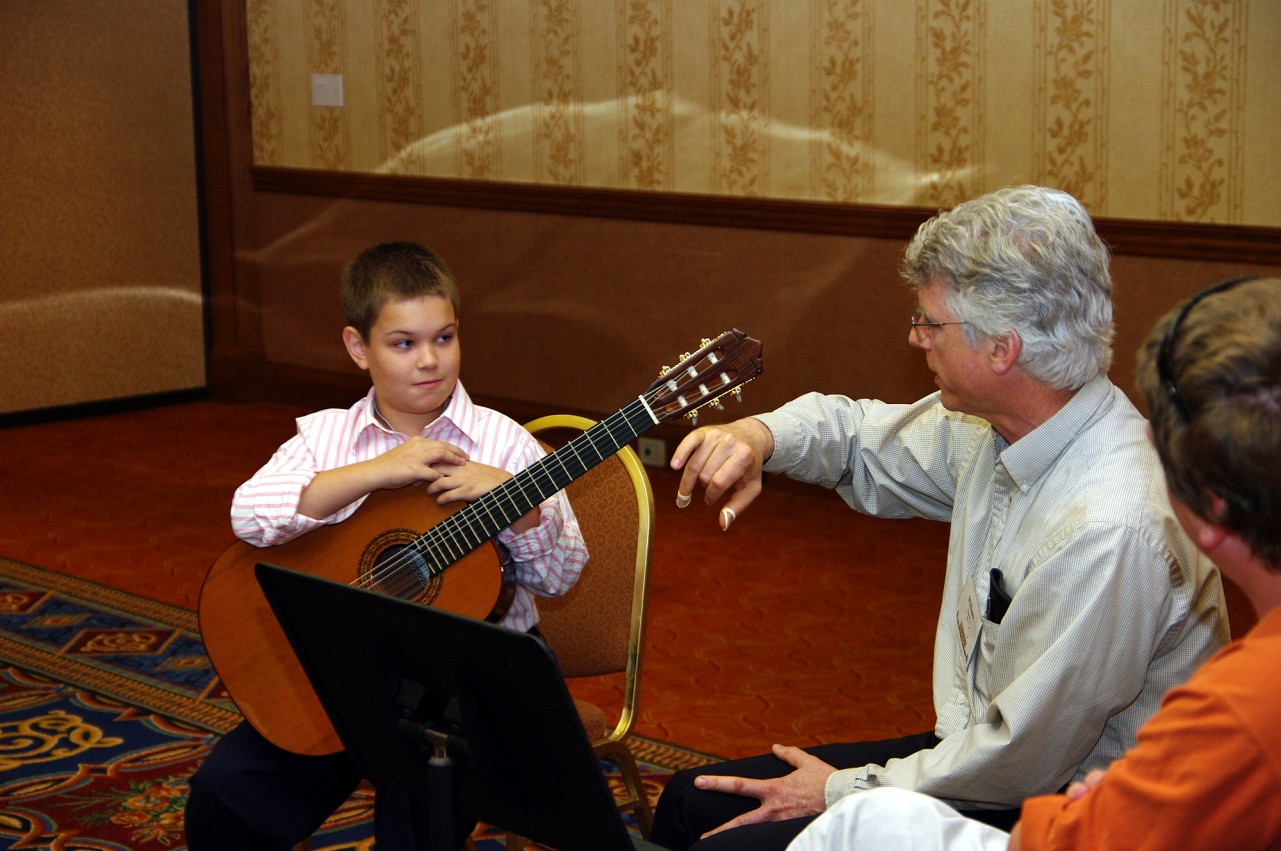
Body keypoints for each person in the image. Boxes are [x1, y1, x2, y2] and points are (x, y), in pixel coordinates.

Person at [648, 185, 1228, 851]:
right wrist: (759, 436)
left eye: (930, 323)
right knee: (687, 803)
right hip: (981, 751)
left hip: (1068, 812)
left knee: (725, 845)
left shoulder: (1108, 524)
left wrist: (840, 790)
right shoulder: (1004, 423)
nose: (913, 337)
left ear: (1001, 349)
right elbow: (864, 437)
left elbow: (1021, 755)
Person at [784, 274, 1281, 850]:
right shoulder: (998, 430)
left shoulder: (1240, 705)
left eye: (1163, 452)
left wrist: (850, 800)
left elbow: (1048, 828)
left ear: (1212, 510)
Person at [184, 241, 588, 850]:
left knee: (420, 812)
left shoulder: (505, 446)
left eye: (445, 338)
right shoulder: (327, 438)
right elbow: (249, 515)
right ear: (358, 348)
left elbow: (560, 579)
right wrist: (375, 472)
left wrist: (520, 503)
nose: (429, 360)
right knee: (226, 794)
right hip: (346, 671)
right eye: (403, 343)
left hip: (462, 684)